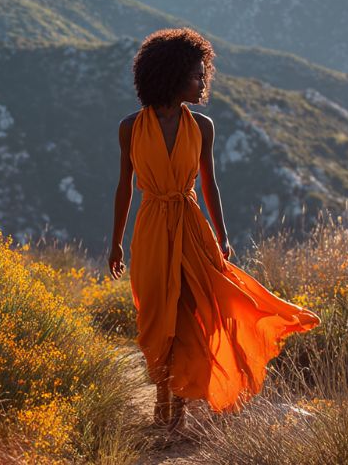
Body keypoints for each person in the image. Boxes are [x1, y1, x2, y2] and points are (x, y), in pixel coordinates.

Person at [106, 28, 321, 435]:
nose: (203, 82)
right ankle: (165, 393)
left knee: (192, 312)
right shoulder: (130, 127)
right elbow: (124, 186)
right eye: (196, 74)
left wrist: (222, 235)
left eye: (204, 73)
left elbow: (210, 184)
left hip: (191, 227)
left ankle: (174, 404)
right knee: (155, 314)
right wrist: (115, 241)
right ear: (172, 75)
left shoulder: (202, 127)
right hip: (151, 228)